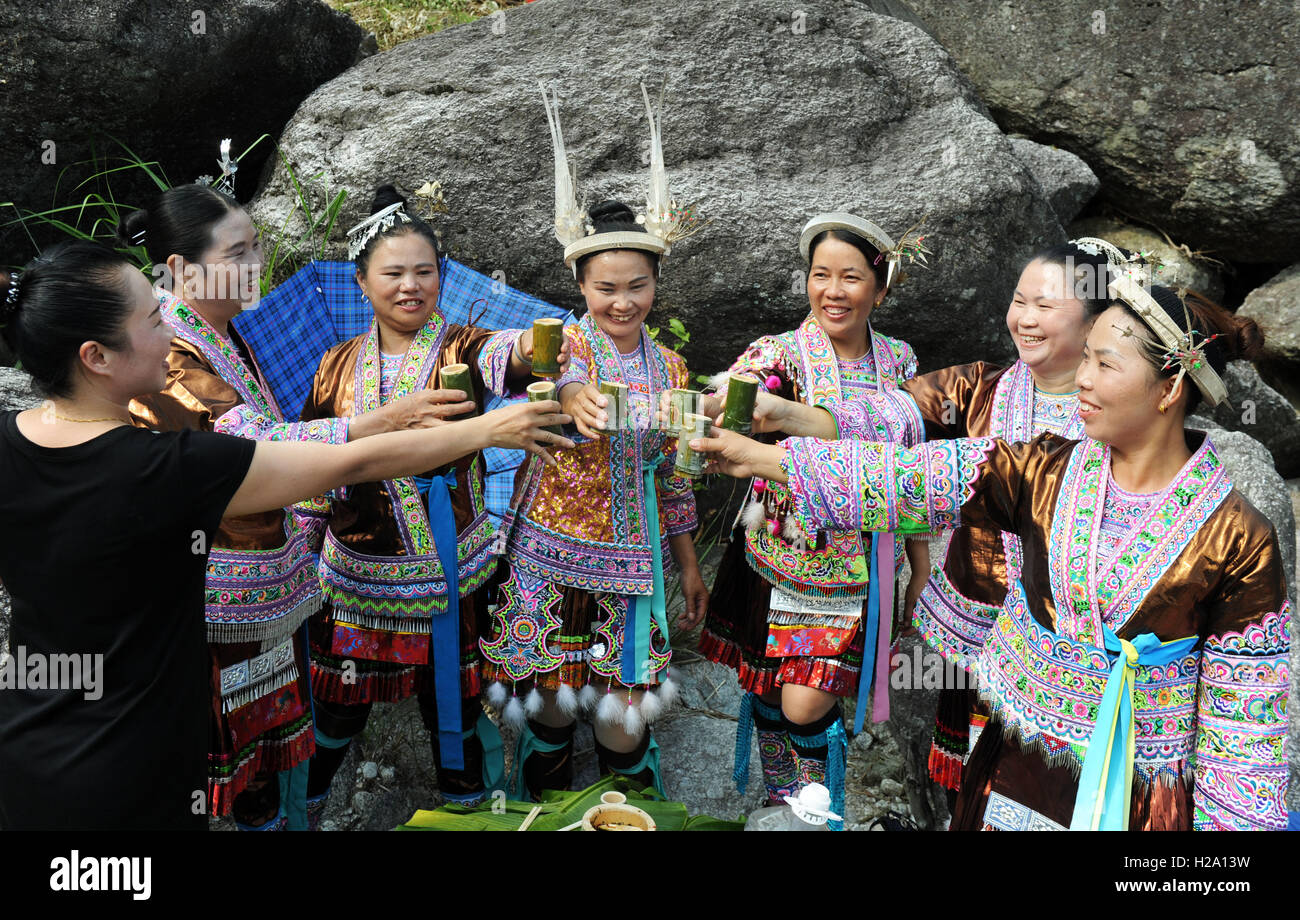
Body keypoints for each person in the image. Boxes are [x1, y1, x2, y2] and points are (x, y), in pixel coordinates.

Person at [0, 240, 571, 830]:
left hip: (32, 750)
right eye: (154, 318)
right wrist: (484, 429)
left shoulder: (12, 443)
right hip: (135, 763)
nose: (170, 331)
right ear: (96, 356)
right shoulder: (174, 466)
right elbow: (346, 464)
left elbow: (498, 360)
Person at [694, 278, 1289, 831]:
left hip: (1140, 792)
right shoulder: (1045, 467)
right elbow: (910, 477)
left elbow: (1245, 734)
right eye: (1086, 356)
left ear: (1170, 388)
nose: (1081, 378)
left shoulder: (1237, 538)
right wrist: (762, 458)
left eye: (1105, 364)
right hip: (1015, 757)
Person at [122, 183, 463, 830]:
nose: (256, 264)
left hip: (265, 579)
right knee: (239, 768)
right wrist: (379, 423)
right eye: (238, 253)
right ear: (179, 270)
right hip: (217, 590)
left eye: (257, 246)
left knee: (268, 760)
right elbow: (249, 445)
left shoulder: (219, 331)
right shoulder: (169, 351)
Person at [747, 238, 1127, 807]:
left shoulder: (1123, 411)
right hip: (978, 626)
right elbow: (881, 417)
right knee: (976, 781)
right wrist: (784, 413)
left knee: (1058, 792)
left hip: (1076, 646)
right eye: (1019, 301)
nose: (1024, 319)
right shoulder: (976, 387)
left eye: (1045, 307)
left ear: (1098, 320)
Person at [477, 86, 707, 800]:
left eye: (637, 286)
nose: (622, 302)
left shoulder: (669, 368)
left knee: (622, 720)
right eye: (605, 286)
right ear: (579, 283)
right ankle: (543, 815)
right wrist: (559, 388)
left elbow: (672, 476)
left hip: (633, 565)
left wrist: (689, 568)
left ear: (656, 284)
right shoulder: (563, 342)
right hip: (547, 551)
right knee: (548, 708)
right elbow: (501, 361)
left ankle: (629, 814)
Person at [299, 184, 558, 817]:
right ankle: (301, 805)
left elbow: (512, 356)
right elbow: (310, 461)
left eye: (425, 271)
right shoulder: (336, 364)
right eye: (393, 273)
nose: (410, 285)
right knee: (338, 705)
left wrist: (536, 346)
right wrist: (299, 552)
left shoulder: (462, 348)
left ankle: (463, 812)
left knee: (453, 700)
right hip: (359, 569)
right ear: (362, 282)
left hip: (447, 565)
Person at [695, 211, 928, 827]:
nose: (832, 290)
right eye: (819, 275)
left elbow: (913, 470)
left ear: (880, 288)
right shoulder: (777, 355)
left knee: (803, 705)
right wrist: (723, 417)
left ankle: (814, 807)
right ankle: (785, 804)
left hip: (857, 568)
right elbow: (736, 404)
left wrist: (921, 565)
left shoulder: (900, 361)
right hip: (776, 554)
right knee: (772, 691)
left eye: (850, 277)